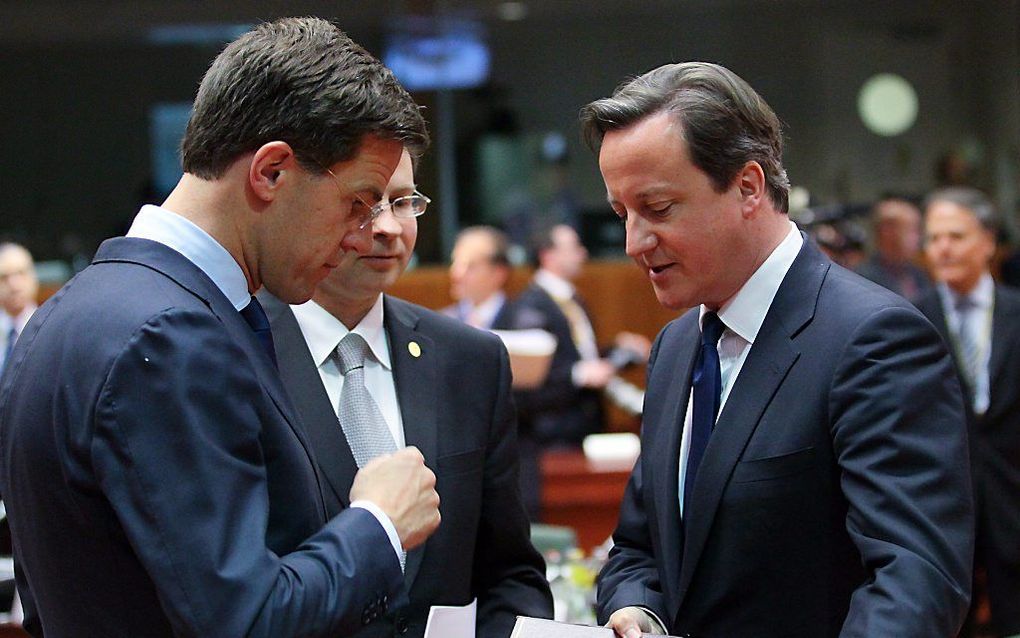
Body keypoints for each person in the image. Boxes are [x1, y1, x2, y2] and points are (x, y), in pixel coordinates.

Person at [0, 18, 441, 638]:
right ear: (271, 172)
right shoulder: (170, 335)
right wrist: (380, 525)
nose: (361, 233)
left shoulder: (70, 311)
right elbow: (243, 621)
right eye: (357, 201)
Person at [579, 62, 973, 637]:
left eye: (658, 209)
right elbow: (641, 545)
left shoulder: (873, 339)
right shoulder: (676, 346)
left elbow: (915, 583)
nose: (634, 242)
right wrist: (635, 608)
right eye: (622, 215)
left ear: (748, 187)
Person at [260, 148, 553, 638]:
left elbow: (509, 573)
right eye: (364, 203)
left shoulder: (470, 360)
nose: (389, 228)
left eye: (402, 203)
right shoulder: (238, 354)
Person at [917, 187, 1020, 638]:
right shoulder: (907, 321)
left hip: (1013, 499)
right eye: (934, 237)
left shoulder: (1018, 312)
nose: (943, 247)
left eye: (956, 236)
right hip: (943, 508)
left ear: (988, 242)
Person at [856, 195, 931, 303]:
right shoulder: (863, 280)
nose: (919, 238)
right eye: (913, 231)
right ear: (888, 232)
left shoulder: (919, 274)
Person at [443, 225, 517, 330]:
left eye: (470, 266)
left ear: (499, 273)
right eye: (455, 263)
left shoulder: (526, 323)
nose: (456, 274)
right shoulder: (444, 322)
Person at [0, 243, 38, 374]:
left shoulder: (50, 328)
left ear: (34, 277)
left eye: (21, 273)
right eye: (4, 277)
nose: (14, 285)